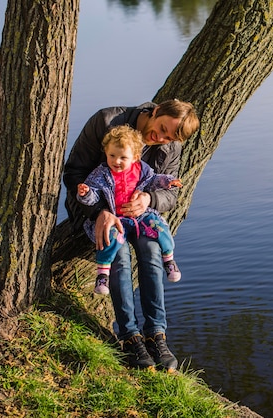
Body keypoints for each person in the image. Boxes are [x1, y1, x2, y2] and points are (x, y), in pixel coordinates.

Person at [63, 99, 200, 371]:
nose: (160, 138)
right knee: (121, 257)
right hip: (98, 210)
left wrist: (149, 199)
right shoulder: (106, 122)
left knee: (151, 253)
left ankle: (156, 334)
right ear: (156, 110)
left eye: (168, 137)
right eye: (161, 128)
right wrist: (100, 211)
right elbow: (74, 173)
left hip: (139, 216)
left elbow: (169, 191)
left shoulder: (170, 145)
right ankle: (129, 337)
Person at [76, 125, 184, 296]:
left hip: (139, 216)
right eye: (112, 155)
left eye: (122, 157)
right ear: (106, 152)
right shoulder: (101, 174)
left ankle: (169, 260)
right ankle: (103, 274)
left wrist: (168, 182)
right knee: (109, 237)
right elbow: (93, 196)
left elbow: (154, 180)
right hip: (116, 217)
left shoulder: (142, 169)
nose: (116, 161)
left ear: (135, 157)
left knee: (159, 227)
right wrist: (86, 193)